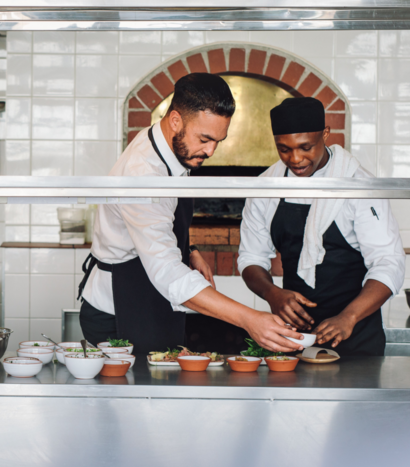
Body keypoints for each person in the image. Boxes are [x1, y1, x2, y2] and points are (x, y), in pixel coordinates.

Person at [76, 73, 304, 358]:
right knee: (138, 397)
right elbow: (167, 272)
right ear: (175, 120)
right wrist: (249, 319)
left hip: (144, 293)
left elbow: (158, 219)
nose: (210, 151)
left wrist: (190, 248)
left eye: (218, 141)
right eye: (205, 139)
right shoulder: (143, 174)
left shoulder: (167, 142)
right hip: (119, 310)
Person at [238, 97, 405, 356]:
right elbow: (251, 258)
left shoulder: (358, 185)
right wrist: (272, 294)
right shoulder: (266, 187)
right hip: (294, 335)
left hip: (356, 333)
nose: (295, 158)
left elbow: (389, 262)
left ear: (325, 134)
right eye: (284, 149)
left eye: (306, 147)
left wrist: (348, 317)